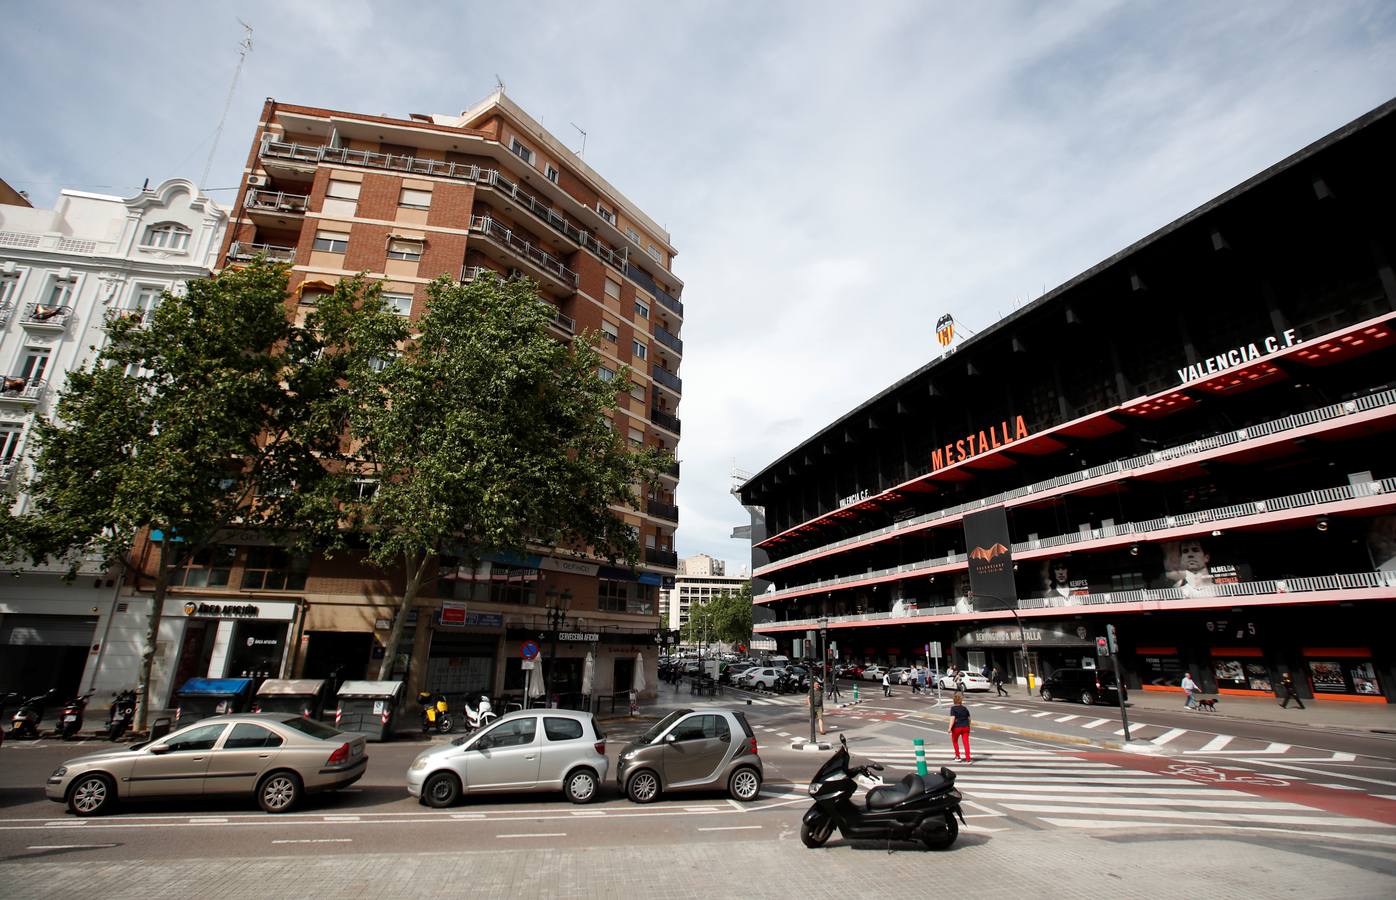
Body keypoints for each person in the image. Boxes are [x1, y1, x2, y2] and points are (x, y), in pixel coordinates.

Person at [948, 691, 972, 762]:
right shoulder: (965, 708)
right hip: (966, 727)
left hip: (957, 727)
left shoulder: (953, 708)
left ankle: (957, 756)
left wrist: (949, 728)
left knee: (955, 741)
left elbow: (952, 718)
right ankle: (968, 758)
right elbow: (969, 718)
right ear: (961, 701)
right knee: (966, 742)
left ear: (954, 701)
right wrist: (968, 726)